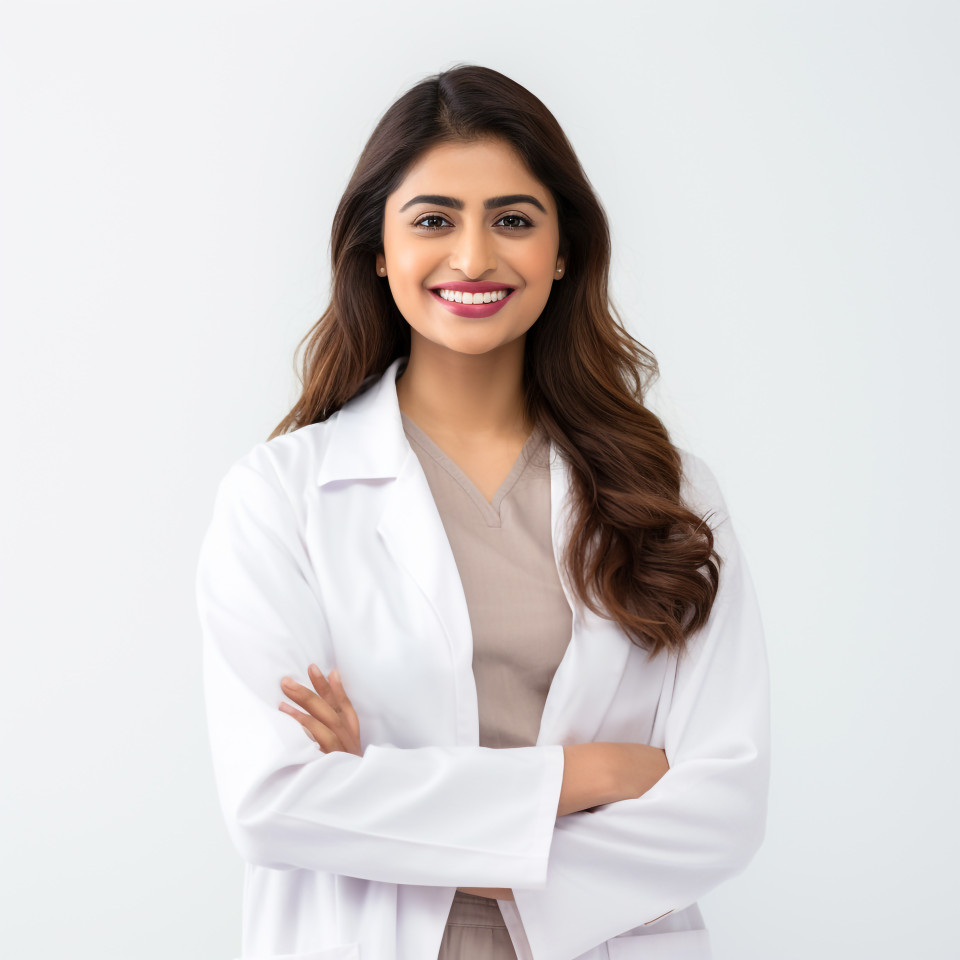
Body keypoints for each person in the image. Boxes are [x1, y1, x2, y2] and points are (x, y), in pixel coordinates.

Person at [196, 63, 770, 960]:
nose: (473, 258)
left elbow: (721, 812)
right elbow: (275, 805)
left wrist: (383, 803)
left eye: (513, 219)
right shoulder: (281, 498)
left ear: (564, 248)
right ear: (377, 249)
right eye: (433, 220)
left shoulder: (670, 494)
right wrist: (590, 776)